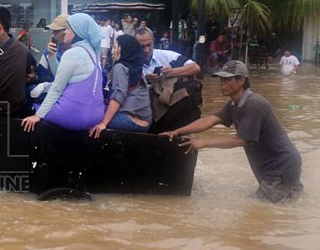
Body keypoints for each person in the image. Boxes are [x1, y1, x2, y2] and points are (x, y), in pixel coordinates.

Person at [161, 60, 302, 202]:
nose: (221, 84)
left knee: (263, 209)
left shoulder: (254, 104)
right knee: (287, 205)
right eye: (221, 80)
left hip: (280, 164)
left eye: (227, 80)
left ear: (241, 80)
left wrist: (203, 142)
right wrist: (177, 131)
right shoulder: (234, 103)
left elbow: (240, 139)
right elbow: (211, 119)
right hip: (272, 164)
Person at [21, 13, 104, 133]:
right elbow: (64, 78)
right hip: (96, 116)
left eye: (68, 29)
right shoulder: (93, 51)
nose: (65, 32)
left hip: (75, 116)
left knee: (32, 100)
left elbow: (57, 88)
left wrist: (37, 116)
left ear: (77, 31)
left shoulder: (72, 53)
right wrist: (52, 57)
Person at [135, 27, 203, 133]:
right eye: (142, 47)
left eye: (149, 45)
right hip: (143, 106)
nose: (146, 50)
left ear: (153, 41)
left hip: (166, 104)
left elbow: (195, 68)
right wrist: (145, 80)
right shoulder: (131, 61)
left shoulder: (166, 55)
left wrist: (172, 72)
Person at [89, 34, 152, 136]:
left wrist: (103, 123)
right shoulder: (136, 67)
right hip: (144, 124)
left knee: (89, 115)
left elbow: (118, 97)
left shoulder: (120, 67)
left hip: (128, 121)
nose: (112, 51)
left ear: (123, 49)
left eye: (115, 47)